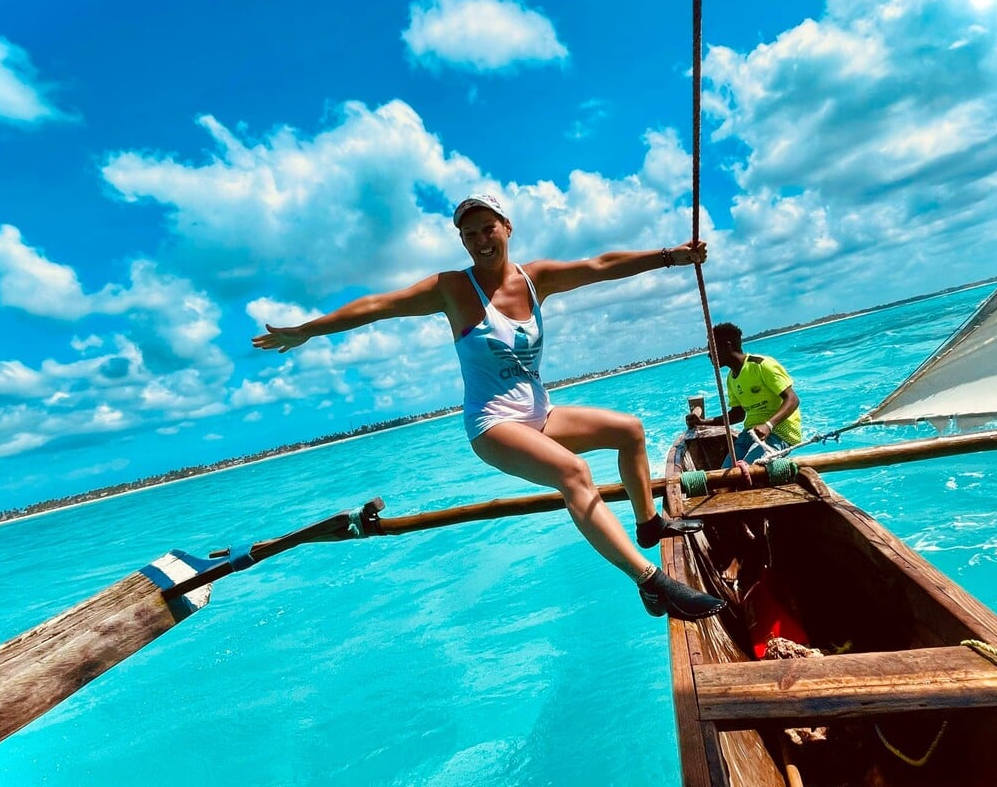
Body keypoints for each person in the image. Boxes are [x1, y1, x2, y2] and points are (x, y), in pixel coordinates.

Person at [253, 194, 726, 620]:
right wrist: (309, 328)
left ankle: (648, 524)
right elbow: (378, 305)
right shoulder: (452, 289)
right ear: (462, 240)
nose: (480, 239)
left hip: (541, 415)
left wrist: (672, 257)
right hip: (492, 425)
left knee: (630, 430)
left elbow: (601, 265)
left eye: (488, 228)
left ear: (507, 227)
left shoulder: (536, 278)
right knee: (574, 474)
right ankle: (651, 582)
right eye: (469, 233)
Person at [688, 322, 802, 465]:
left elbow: (793, 399)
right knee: (725, 473)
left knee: (747, 471)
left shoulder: (762, 365)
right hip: (750, 433)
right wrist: (703, 422)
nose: (709, 354)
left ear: (727, 346)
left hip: (779, 433)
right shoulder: (731, 378)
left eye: (711, 348)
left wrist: (768, 425)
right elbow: (738, 414)